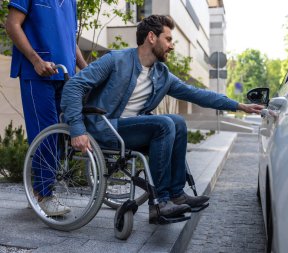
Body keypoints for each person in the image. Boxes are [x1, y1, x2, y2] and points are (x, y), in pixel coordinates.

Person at [60, 15, 263, 222]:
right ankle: (159, 203)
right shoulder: (115, 60)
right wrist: (77, 128)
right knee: (164, 124)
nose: (171, 46)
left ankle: (176, 194)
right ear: (151, 37)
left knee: (177, 122)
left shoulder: (161, 74)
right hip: (103, 128)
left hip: (130, 131)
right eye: (168, 39)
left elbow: (197, 94)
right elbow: (73, 86)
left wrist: (239, 106)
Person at [5, 0, 87, 216]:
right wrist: (35, 60)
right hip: (37, 73)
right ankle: (45, 194)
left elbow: (70, 39)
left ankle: (39, 191)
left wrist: (86, 70)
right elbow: (12, 24)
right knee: (45, 133)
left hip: (66, 75)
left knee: (62, 136)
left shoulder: (71, 2)